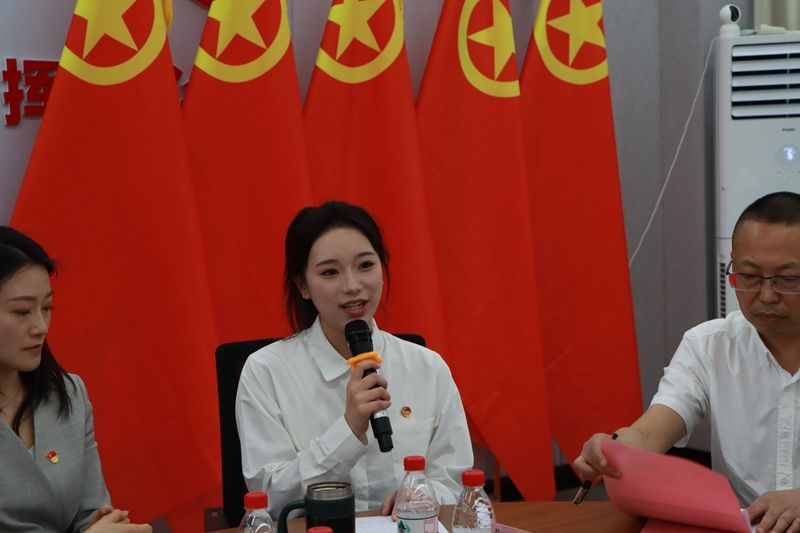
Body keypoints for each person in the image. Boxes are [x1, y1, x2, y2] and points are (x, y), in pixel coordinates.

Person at [573, 191, 800, 533]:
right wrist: (611, 450)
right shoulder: (708, 345)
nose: (767, 296)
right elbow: (649, 434)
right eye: (750, 276)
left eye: (788, 279)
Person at [236, 201, 473, 517]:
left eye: (365, 265)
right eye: (330, 272)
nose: (352, 286)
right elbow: (269, 500)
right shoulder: (265, 373)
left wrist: (421, 495)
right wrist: (348, 430)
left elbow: (455, 483)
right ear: (303, 285)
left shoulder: (428, 368)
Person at [0, 226, 151, 533]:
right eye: (22, 311)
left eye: (46, 308)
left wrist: (105, 525)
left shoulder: (67, 393)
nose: (41, 326)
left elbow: (90, 513)